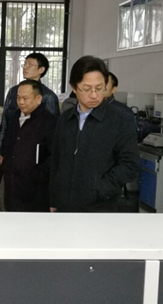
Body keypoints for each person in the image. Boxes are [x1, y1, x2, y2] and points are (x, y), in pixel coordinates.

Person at [49, 56, 140, 212]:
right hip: (65, 205)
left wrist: (100, 189)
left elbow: (130, 164)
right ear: (74, 87)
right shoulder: (65, 119)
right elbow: (56, 161)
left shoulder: (120, 119)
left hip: (100, 206)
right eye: (86, 89)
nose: (94, 95)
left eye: (99, 88)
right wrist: (54, 199)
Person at [0, 53, 59, 165]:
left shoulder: (48, 96)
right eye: (24, 64)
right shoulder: (13, 92)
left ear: (41, 70)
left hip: (34, 154)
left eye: (30, 64)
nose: (25, 67)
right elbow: (5, 123)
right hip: (11, 147)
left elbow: (54, 130)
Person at [1, 80, 57, 212]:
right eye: (18, 98)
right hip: (12, 184)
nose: (21, 102)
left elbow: (55, 156)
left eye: (25, 98)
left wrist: (38, 174)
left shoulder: (49, 122)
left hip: (35, 189)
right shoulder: (14, 117)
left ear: (38, 99)